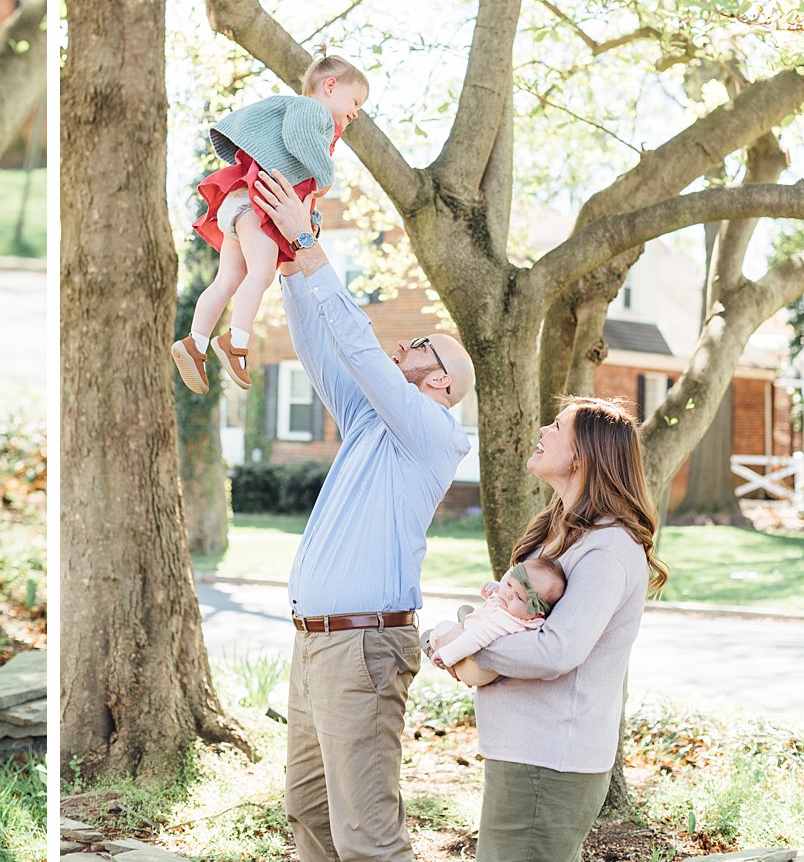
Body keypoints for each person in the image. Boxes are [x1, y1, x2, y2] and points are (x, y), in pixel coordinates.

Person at [251, 167, 475, 862]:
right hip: (314, 642)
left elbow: (359, 348)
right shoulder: (371, 422)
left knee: (369, 835)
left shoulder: (431, 432)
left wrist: (311, 242)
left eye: (420, 348)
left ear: (440, 382)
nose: (404, 346)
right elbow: (323, 353)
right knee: (309, 808)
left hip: (365, 649)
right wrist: (289, 265)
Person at [461, 397, 668, 862]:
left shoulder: (608, 546)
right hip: (530, 756)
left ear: (583, 456)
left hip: (550, 760)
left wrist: (469, 649)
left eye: (556, 426)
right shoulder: (565, 532)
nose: (541, 430)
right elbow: (519, 620)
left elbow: (558, 650)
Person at [171, 53, 368, 395]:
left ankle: (194, 342)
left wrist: (312, 222)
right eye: (355, 101)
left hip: (239, 201)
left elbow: (302, 195)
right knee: (260, 273)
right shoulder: (314, 113)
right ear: (330, 86)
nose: (356, 112)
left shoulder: (314, 124)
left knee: (228, 279)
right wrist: (326, 174)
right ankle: (236, 343)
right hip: (255, 204)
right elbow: (299, 139)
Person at [425, 558, 567, 682]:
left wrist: (445, 655)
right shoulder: (518, 611)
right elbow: (511, 591)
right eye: (509, 584)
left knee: (443, 627)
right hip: (480, 658)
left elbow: (475, 638)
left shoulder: (506, 621)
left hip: (474, 669)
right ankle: (469, 620)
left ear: (537, 613)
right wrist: (497, 587)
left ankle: (432, 645)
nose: (509, 594)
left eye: (519, 597)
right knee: (484, 611)